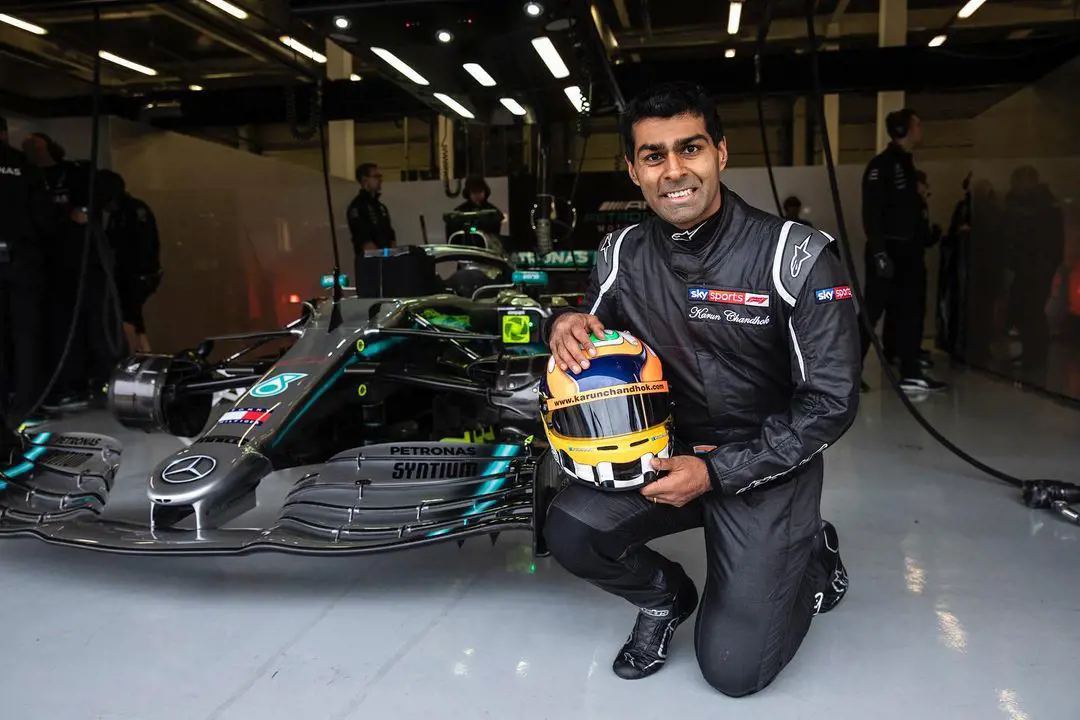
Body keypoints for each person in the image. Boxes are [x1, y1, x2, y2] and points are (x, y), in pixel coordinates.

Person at [541, 81, 857, 697]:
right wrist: (566, 322)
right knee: (573, 531)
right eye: (654, 156)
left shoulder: (795, 256)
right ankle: (665, 599)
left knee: (733, 672)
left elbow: (831, 402)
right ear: (633, 170)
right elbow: (597, 329)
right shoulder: (620, 253)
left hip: (767, 465)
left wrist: (716, 474)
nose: (674, 171)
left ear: (721, 153)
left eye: (691, 149)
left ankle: (809, 546)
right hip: (666, 454)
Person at [858, 109, 946, 392]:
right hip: (888, 252)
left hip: (908, 254)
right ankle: (843, 375)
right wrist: (880, 253)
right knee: (872, 312)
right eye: (917, 124)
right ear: (902, 130)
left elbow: (908, 214)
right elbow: (872, 211)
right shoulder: (882, 166)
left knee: (910, 311)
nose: (921, 129)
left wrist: (925, 238)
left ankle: (910, 370)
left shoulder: (907, 166)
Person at [0, 117, 55, 458]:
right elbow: (45, 219)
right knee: (26, 336)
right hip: (23, 260)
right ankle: (28, 405)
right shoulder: (24, 166)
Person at [98, 170, 161, 353]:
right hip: (133, 276)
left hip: (135, 276)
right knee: (132, 319)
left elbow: (141, 247)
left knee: (129, 318)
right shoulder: (124, 213)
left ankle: (139, 358)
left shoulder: (132, 212)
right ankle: (140, 355)